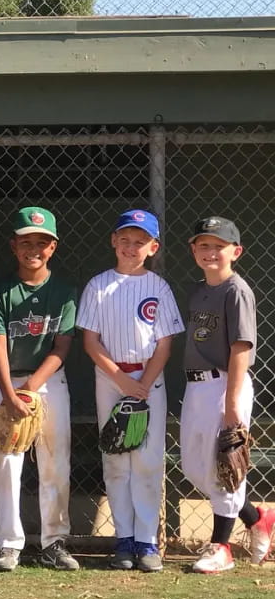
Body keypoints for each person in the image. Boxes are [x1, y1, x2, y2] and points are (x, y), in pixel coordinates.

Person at [77, 210, 183, 573]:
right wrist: (122, 383)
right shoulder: (98, 284)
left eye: (140, 241)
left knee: (149, 460)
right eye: (125, 239)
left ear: (153, 247)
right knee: (117, 457)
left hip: (148, 378)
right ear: (113, 241)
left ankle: (146, 539)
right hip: (111, 378)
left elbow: (165, 344)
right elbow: (90, 341)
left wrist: (142, 385)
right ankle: (123, 539)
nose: (131, 246)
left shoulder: (158, 287)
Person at [0, 206, 78, 572]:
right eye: (26, 241)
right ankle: (9, 543)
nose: (33, 248)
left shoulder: (65, 291)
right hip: (8, 381)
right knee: (6, 464)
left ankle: (54, 541)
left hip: (48, 382)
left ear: (52, 247)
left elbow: (61, 349)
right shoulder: (1, 292)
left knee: (55, 463)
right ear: (13, 246)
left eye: (41, 242)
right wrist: (8, 394)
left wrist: (30, 389)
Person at [180, 216, 275, 573]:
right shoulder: (199, 291)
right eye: (203, 245)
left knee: (224, 469)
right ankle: (257, 517)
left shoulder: (237, 290)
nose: (210, 252)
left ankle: (221, 547)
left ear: (236, 251)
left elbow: (241, 348)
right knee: (194, 467)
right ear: (193, 250)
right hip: (196, 385)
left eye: (219, 246)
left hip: (225, 384)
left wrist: (233, 402)